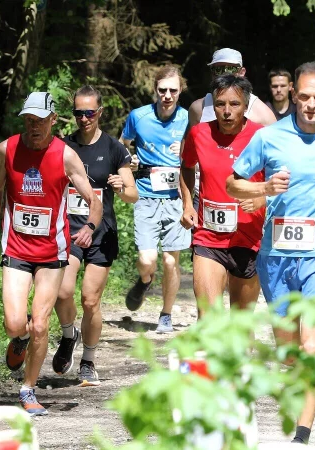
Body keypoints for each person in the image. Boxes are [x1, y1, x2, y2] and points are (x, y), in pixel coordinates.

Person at [226, 61, 315, 445]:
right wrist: (264, 188)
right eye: (304, 97)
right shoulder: (269, 138)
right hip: (277, 257)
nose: (311, 104)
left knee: (310, 344)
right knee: (288, 351)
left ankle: (302, 435)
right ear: (293, 96)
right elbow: (233, 185)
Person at [0, 92, 102, 415]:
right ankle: (19, 339)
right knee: (13, 323)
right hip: (16, 247)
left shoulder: (65, 156)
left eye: (40, 121)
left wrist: (90, 226)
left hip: (52, 251)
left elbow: (95, 200)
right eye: (29, 120)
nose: (34, 127)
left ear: (53, 120)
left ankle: (28, 388)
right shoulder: (6, 149)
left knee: (39, 323)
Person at [52, 86, 138, 386]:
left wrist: (120, 187)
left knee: (90, 300)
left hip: (102, 234)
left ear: (99, 112)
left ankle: (88, 360)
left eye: (89, 113)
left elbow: (133, 195)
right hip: (70, 230)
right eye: (78, 113)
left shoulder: (114, 149)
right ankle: (68, 335)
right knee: (61, 292)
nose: (83, 118)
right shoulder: (62, 147)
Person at [179, 75, 265, 318]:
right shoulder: (199, 134)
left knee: (241, 324)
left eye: (234, 104)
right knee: (208, 318)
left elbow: (281, 183)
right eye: (220, 104)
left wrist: (261, 200)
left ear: (246, 106)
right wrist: (188, 204)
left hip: (249, 237)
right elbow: (186, 167)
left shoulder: (262, 137)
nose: (227, 111)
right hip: (209, 237)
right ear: (212, 105)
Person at [120, 65, 190, 333]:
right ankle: (145, 280)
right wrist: (130, 160)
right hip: (146, 195)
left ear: (180, 91)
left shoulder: (187, 119)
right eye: (163, 90)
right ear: (155, 91)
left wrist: (184, 152)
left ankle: (166, 315)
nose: (168, 96)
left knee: (171, 260)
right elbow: (122, 145)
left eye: (173, 90)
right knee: (147, 259)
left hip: (176, 197)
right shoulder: (138, 116)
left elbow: (198, 154)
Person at [188, 48, 277, 127]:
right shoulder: (198, 109)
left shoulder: (262, 113)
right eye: (219, 69)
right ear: (212, 73)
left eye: (231, 69)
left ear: (242, 72)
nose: (225, 74)